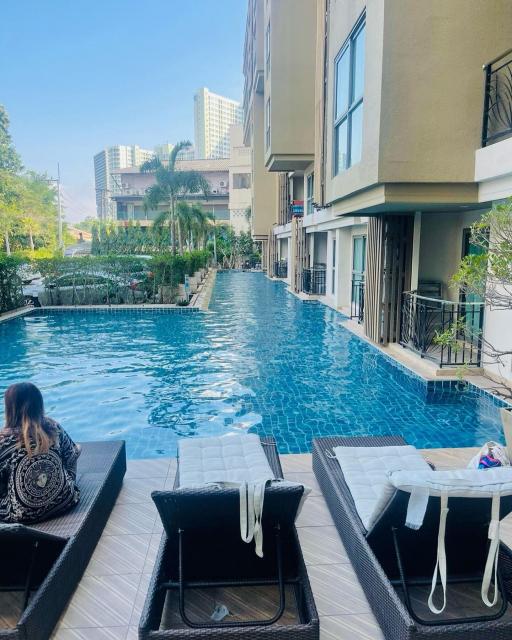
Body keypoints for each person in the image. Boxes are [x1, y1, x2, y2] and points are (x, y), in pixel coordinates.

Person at [0, 382, 81, 523]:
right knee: (77, 449)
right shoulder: (52, 426)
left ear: (9, 408)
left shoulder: (3, 439)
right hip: (66, 500)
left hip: (23, 515)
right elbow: (71, 456)